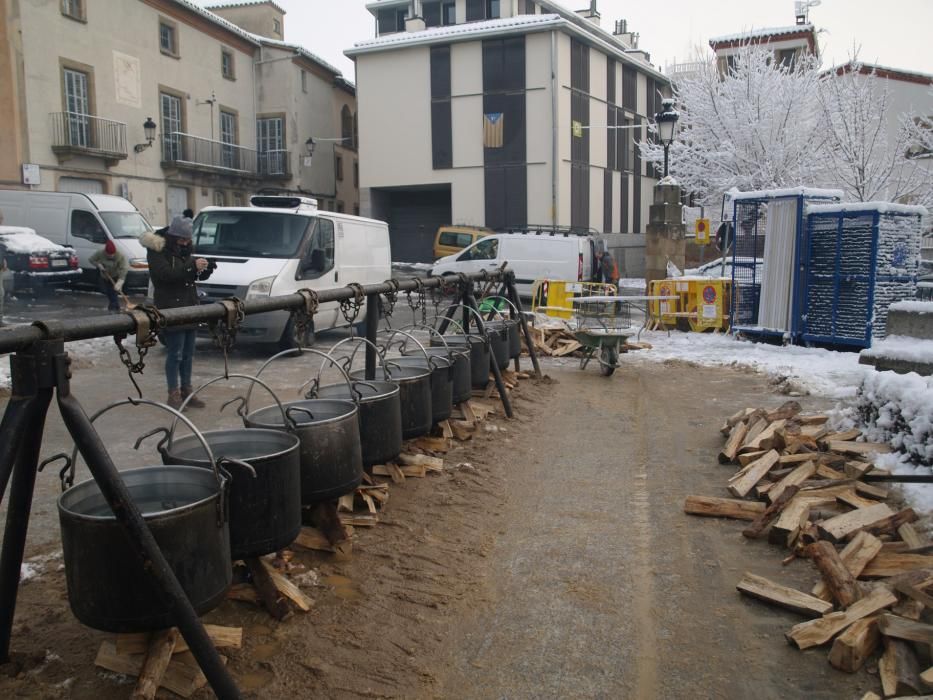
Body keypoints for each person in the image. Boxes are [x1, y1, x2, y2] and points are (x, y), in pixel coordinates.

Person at [141, 216, 213, 410]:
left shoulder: (184, 249)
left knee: (189, 352)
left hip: (189, 305)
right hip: (170, 307)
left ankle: (187, 391)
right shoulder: (157, 250)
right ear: (173, 236)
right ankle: (173, 394)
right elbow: (164, 276)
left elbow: (185, 274)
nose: (185, 243)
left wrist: (203, 271)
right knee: (176, 353)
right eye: (182, 240)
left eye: (188, 240)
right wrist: (191, 266)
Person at [89, 240, 129, 312]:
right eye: (109, 254)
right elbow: (91, 259)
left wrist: (120, 281)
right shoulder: (100, 253)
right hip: (105, 277)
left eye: (112, 254)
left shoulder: (120, 256)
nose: (111, 255)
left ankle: (113, 308)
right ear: (105, 252)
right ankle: (115, 308)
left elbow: (123, 268)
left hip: (116, 276)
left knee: (113, 292)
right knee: (109, 293)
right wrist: (98, 265)